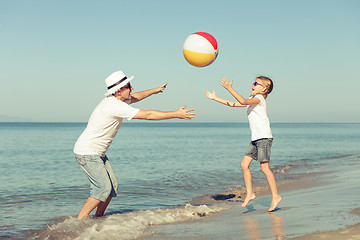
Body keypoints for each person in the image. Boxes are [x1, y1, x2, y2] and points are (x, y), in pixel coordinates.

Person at [74, 70, 195, 220]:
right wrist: (175, 114)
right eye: (128, 86)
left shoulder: (117, 101)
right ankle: (78, 223)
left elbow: (136, 97)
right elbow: (148, 115)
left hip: (96, 152)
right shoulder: (114, 106)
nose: (132, 88)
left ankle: (98, 218)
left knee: (112, 188)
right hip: (87, 152)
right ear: (119, 91)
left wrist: (154, 91)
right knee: (103, 188)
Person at [204, 76, 281, 212]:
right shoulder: (253, 102)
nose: (252, 84)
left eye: (255, 83)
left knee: (264, 168)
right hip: (256, 139)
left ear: (264, 88)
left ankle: (276, 196)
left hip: (263, 138)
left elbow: (242, 100)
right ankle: (250, 193)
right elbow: (233, 103)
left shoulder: (259, 99)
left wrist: (229, 88)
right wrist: (215, 98)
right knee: (244, 165)